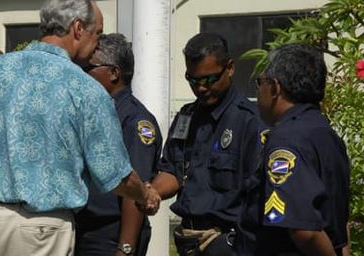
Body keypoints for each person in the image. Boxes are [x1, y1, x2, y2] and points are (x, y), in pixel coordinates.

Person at [0, 0, 160, 255]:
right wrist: (145, 195)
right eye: (97, 32)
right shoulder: (84, 88)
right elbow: (114, 173)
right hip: (40, 231)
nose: (98, 42)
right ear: (78, 29)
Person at [149, 32, 263, 256]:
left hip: (228, 243)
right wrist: (151, 193)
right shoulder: (186, 117)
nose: (201, 88)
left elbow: (258, 195)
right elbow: (172, 170)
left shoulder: (249, 122)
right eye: (193, 80)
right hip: (189, 241)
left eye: (209, 79)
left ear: (230, 68)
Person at [255, 44, 350, 255]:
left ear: (275, 88)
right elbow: (338, 222)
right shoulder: (326, 134)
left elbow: (304, 229)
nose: (258, 90)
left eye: (259, 82)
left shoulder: (286, 139)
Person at [76, 33, 163, 256]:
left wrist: (125, 248)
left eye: (88, 69)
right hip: (84, 230)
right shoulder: (97, 113)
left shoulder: (134, 121)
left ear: (114, 73)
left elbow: (135, 189)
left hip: (110, 236)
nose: (82, 75)